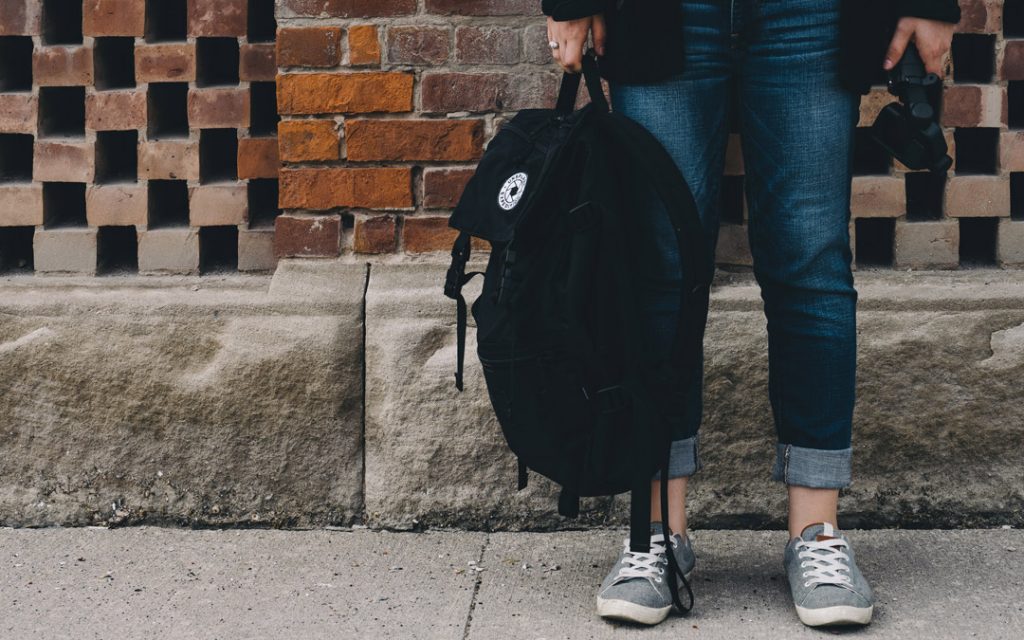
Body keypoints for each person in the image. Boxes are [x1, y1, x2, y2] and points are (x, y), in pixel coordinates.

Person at [542, 0, 959, 628]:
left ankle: (817, 533)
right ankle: (656, 534)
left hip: (811, 13)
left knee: (811, 263)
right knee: (662, 266)